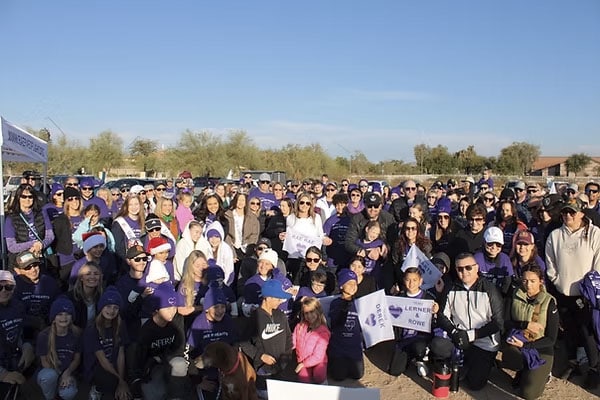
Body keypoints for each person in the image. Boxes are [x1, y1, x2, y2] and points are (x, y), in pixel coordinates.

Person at [545, 198, 600, 386]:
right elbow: (550, 263)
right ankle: (573, 363)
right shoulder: (555, 235)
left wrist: (591, 287)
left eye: (572, 212)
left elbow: (598, 263)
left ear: (581, 213)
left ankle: (594, 368)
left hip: (586, 294)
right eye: (565, 212)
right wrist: (557, 281)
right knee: (569, 329)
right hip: (563, 292)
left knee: (588, 332)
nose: (567, 215)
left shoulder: (594, 233)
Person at [431, 252, 504, 391]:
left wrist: (470, 335)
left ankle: (483, 363)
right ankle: (457, 364)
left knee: (475, 384)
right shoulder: (450, 287)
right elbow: (442, 316)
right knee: (437, 345)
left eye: (468, 267)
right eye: (460, 269)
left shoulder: (490, 289)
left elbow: (498, 322)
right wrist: (454, 332)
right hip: (458, 337)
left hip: (483, 341)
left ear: (476, 268)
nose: (464, 272)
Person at [502, 264, 558, 400]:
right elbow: (505, 321)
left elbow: (551, 339)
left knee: (529, 394)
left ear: (541, 281)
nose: (528, 285)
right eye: (525, 280)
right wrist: (525, 325)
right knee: (510, 356)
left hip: (541, 348)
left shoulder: (549, 301)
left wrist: (526, 346)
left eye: (533, 281)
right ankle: (522, 370)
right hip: (518, 341)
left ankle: (541, 374)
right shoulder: (514, 294)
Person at [127, 284, 189, 400]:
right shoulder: (146, 331)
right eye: (167, 308)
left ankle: (176, 397)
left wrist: (161, 358)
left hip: (168, 362)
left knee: (180, 364)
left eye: (174, 307)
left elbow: (179, 349)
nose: (172, 311)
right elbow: (138, 361)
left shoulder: (176, 324)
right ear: (156, 309)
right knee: (155, 395)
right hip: (151, 369)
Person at [240, 279, 293, 396]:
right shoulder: (255, 317)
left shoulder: (281, 315)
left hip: (282, 368)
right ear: (268, 298)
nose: (280, 301)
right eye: (278, 299)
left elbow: (288, 337)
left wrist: (286, 357)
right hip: (264, 369)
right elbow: (244, 342)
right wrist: (260, 356)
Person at [187, 286, 237, 400]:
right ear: (207, 309)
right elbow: (186, 354)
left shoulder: (228, 321)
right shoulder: (198, 324)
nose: (220, 311)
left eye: (222, 306)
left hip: (226, 372)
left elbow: (235, 345)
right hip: (206, 375)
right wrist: (198, 380)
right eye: (215, 307)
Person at [388, 267, 439, 377]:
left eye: (414, 280)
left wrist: (435, 312)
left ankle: (421, 359)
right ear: (404, 280)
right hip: (403, 339)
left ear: (420, 281)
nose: (411, 283)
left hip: (420, 338)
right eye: (408, 280)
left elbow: (434, 323)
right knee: (394, 371)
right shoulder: (399, 297)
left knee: (419, 348)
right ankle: (410, 357)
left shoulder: (428, 299)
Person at [83, 287, 130, 400]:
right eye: (108, 306)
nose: (111, 311)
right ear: (101, 307)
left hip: (113, 361)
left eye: (115, 307)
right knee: (110, 381)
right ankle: (96, 389)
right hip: (97, 365)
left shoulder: (120, 325)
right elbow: (102, 359)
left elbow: (121, 354)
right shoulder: (92, 329)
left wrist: (121, 379)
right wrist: (121, 381)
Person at [36, 296, 81, 400]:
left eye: (67, 314)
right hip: (50, 371)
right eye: (59, 314)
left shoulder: (77, 334)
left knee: (68, 393)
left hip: (68, 371)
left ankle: (61, 394)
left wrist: (67, 373)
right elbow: (44, 361)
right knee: (48, 377)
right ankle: (50, 397)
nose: (64, 318)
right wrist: (60, 376)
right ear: (53, 318)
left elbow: (77, 359)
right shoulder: (44, 336)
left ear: (72, 317)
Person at [0, 270, 35, 399]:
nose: (4, 291)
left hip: (14, 361)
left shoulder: (18, 306)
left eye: (8, 287)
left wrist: (27, 346)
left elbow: (23, 331)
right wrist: (3, 374)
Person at [4, 183, 55, 270]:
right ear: (18, 198)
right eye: (23, 196)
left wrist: (41, 245)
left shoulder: (42, 213)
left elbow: (50, 235)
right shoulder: (11, 218)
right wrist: (33, 244)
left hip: (39, 258)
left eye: (30, 197)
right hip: (20, 261)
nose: (27, 199)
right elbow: (11, 246)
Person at [12, 250, 60, 340]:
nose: (33, 270)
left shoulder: (50, 282)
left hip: (49, 328)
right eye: (27, 267)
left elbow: (59, 304)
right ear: (17, 270)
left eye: (35, 265)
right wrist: (36, 322)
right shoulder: (11, 287)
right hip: (22, 332)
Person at [328, 269, 364, 381]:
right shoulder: (335, 303)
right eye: (349, 283)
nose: (353, 286)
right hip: (339, 348)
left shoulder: (360, 302)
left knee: (357, 375)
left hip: (354, 347)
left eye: (355, 283)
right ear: (341, 286)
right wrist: (344, 307)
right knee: (338, 376)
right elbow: (336, 324)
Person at [284, 192, 325, 281]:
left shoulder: (316, 218)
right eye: (302, 202)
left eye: (308, 203)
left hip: (310, 259)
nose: (304, 205)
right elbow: (288, 236)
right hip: (294, 256)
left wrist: (325, 240)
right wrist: (283, 237)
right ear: (298, 203)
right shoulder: (290, 218)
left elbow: (320, 235)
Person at [386, 217, 432, 294]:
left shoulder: (425, 245)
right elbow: (395, 265)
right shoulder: (398, 245)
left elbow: (428, 264)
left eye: (413, 228)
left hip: (421, 284)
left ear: (418, 230)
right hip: (404, 283)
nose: (410, 231)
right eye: (407, 228)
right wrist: (395, 283)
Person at [292, 296, 331, 384]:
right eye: (306, 313)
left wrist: (303, 364)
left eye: (312, 312)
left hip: (318, 361)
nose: (309, 316)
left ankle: (323, 382)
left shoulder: (323, 331)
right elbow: (292, 342)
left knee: (319, 375)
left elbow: (318, 355)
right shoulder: (299, 326)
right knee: (303, 379)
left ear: (318, 311)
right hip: (303, 359)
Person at [473, 226, 514, 295]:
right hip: (481, 294)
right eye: (490, 244)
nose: (494, 247)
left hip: (500, 294)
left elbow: (507, 282)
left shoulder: (505, 259)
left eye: (498, 244)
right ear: (484, 242)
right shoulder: (477, 258)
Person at [224, 192, 260, 261]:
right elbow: (226, 234)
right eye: (239, 200)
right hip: (231, 246)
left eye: (243, 200)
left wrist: (248, 247)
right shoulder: (228, 215)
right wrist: (231, 251)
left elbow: (254, 234)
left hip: (246, 248)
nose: (240, 202)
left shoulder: (252, 217)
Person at [112, 194, 146, 267]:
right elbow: (118, 247)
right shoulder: (119, 222)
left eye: (136, 204)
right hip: (127, 262)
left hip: (142, 260)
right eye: (131, 205)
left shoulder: (143, 221)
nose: (134, 207)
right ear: (126, 206)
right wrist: (126, 259)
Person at [67, 262, 103, 329]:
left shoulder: (102, 297)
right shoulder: (70, 298)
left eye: (96, 274)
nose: (92, 277)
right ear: (81, 278)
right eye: (88, 274)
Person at [323, 193, 352, 271]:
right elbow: (324, 239)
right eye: (337, 205)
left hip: (348, 259)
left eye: (342, 204)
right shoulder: (330, 221)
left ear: (346, 205)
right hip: (332, 259)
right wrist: (324, 257)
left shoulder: (351, 220)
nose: (339, 207)